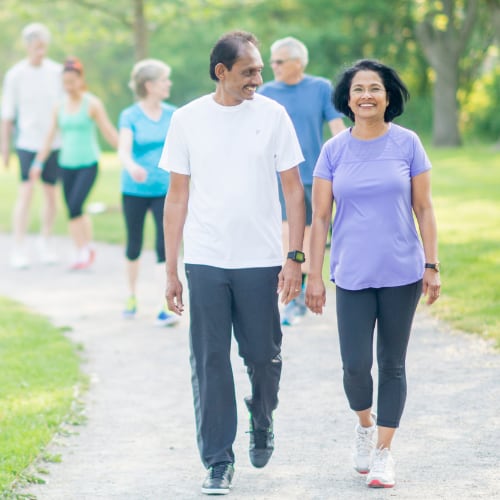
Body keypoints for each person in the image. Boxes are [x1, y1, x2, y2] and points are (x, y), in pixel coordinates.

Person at [159, 31, 305, 495]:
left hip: (261, 260)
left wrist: (294, 258)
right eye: (249, 72)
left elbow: (294, 191)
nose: (258, 79)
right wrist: (170, 270)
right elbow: (176, 197)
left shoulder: (273, 115)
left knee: (263, 358)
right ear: (221, 72)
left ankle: (262, 417)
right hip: (205, 259)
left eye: (261, 70)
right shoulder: (187, 119)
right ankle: (218, 461)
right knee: (210, 361)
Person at [306, 59, 441, 489]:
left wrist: (432, 265)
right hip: (351, 274)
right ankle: (365, 424)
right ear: (348, 99)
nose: (366, 95)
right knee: (354, 367)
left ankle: (384, 453)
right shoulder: (334, 151)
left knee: (392, 365)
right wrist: (313, 273)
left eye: (375, 88)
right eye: (358, 89)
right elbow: (320, 217)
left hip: (402, 272)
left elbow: (424, 208)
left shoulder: (408, 144)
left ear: (388, 97)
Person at [259, 36, 345, 326]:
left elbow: (336, 126)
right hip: (279, 177)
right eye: (272, 61)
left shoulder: (320, 87)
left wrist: (347, 159)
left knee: (313, 232)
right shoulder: (266, 91)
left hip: (316, 174)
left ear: (299, 62)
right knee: (288, 231)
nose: (273, 66)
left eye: (279, 61)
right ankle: (294, 297)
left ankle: (308, 286)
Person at [32, 57, 118, 269]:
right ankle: (84, 248)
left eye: (72, 81)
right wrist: (38, 163)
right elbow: (50, 136)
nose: (68, 86)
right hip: (66, 164)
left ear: (80, 80)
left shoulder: (92, 104)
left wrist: (127, 154)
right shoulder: (59, 106)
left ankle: (82, 251)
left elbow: (108, 131)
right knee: (73, 210)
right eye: (65, 82)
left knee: (75, 205)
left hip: (88, 163)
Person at [117, 59, 178, 326]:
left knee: (164, 245)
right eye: (165, 79)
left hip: (165, 189)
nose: (169, 84)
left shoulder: (174, 114)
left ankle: (163, 305)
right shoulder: (130, 115)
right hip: (134, 189)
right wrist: (131, 167)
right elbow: (123, 149)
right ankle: (131, 295)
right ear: (150, 85)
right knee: (134, 244)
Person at [1, 22, 63, 269]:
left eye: (44, 47)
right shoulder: (15, 75)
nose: (41, 52)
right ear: (28, 46)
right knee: (25, 193)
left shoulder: (56, 72)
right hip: (27, 143)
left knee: (51, 196)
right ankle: (19, 247)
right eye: (37, 47)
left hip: (54, 144)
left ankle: (45, 242)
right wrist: (5, 148)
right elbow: (7, 114)